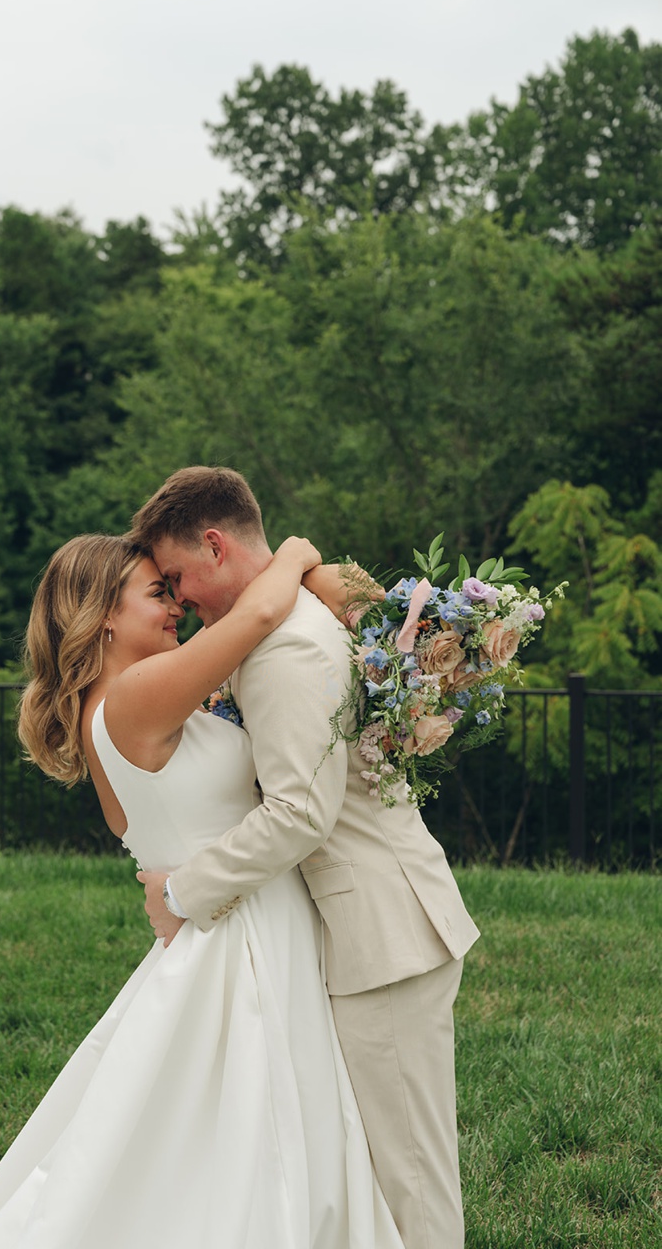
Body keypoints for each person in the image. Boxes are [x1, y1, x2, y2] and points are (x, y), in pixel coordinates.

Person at [0, 530, 403, 1248]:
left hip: (229, 920)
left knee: (212, 1142)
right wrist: (298, 555)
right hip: (240, 936)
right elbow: (257, 618)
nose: (177, 605)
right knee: (249, 1136)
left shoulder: (132, 699)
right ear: (104, 615)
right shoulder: (138, 695)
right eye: (158, 592)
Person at [131, 467, 478, 1249]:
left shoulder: (285, 646)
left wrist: (182, 892)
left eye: (179, 576)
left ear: (215, 545)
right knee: (388, 1176)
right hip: (375, 925)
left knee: (410, 1186)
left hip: (384, 935)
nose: (179, 598)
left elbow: (299, 815)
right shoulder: (291, 615)